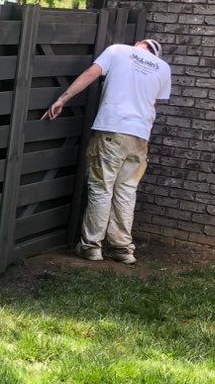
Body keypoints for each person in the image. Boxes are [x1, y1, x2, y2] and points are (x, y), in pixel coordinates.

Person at [41, 38, 171, 264]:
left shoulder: (118, 50)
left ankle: (91, 247)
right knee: (126, 191)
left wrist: (62, 99)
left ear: (138, 43)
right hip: (140, 137)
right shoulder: (163, 68)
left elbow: (91, 74)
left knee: (102, 188)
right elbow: (154, 103)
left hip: (112, 130)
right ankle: (122, 249)